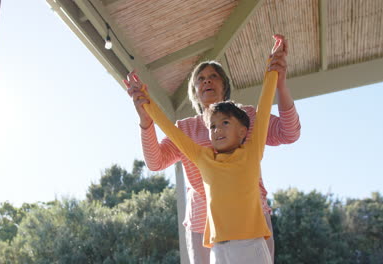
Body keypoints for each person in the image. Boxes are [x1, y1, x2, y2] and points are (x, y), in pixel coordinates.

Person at [126, 35, 300, 263]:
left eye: (213, 76)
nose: (207, 81)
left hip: (250, 222)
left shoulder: (247, 117)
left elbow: (290, 132)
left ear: (224, 86)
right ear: (195, 91)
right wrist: (146, 119)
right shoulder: (185, 128)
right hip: (204, 227)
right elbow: (155, 162)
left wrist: (280, 84)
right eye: (200, 79)